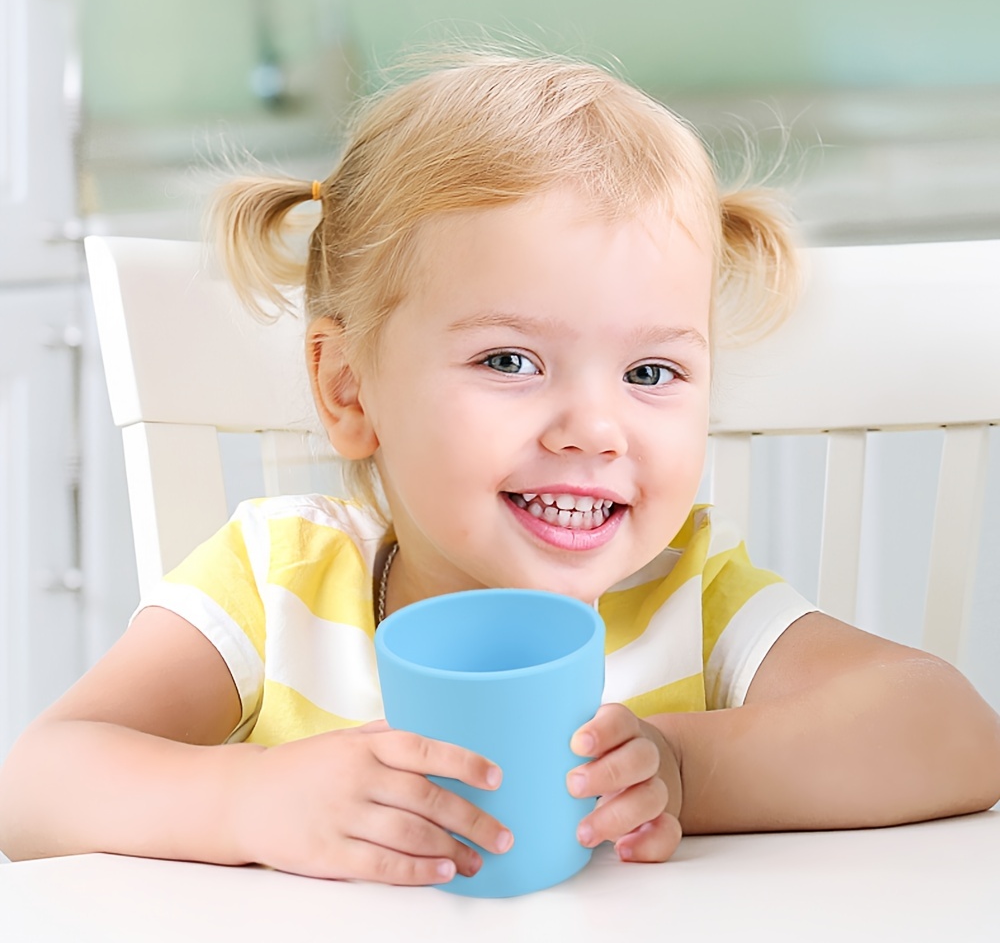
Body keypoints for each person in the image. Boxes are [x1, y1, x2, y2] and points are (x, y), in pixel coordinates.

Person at [1, 50, 998, 884]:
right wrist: (249, 802)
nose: (594, 427)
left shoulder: (691, 591)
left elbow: (952, 733)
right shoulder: (275, 582)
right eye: (510, 361)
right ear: (349, 389)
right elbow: (35, 785)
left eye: (650, 369)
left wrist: (686, 771)